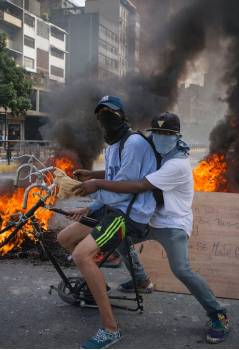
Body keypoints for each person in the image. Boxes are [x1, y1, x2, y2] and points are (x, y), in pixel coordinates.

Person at [74, 112, 230, 344]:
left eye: (165, 134)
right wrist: (95, 174)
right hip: (150, 218)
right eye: (156, 133)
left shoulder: (177, 164)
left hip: (172, 224)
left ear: (176, 136)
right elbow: (129, 173)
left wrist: (96, 183)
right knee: (120, 241)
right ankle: (140, 279)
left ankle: (218, 314)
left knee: (181, 270)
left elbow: (139, 184)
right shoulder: (159, 154)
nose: (159, 138)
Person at [56, 95, 157, 349]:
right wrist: (91, 198)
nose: (105, 119)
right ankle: (95, 286)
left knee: (81, 255)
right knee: (64, 238)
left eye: (110, 114)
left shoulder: (133, 143)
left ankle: (111, 329)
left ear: (122, 116)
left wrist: (92, 186)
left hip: (128, 214)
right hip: (113, 207)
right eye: (100, 115)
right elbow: (113, 176)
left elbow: (125, 186)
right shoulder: (113, 145)